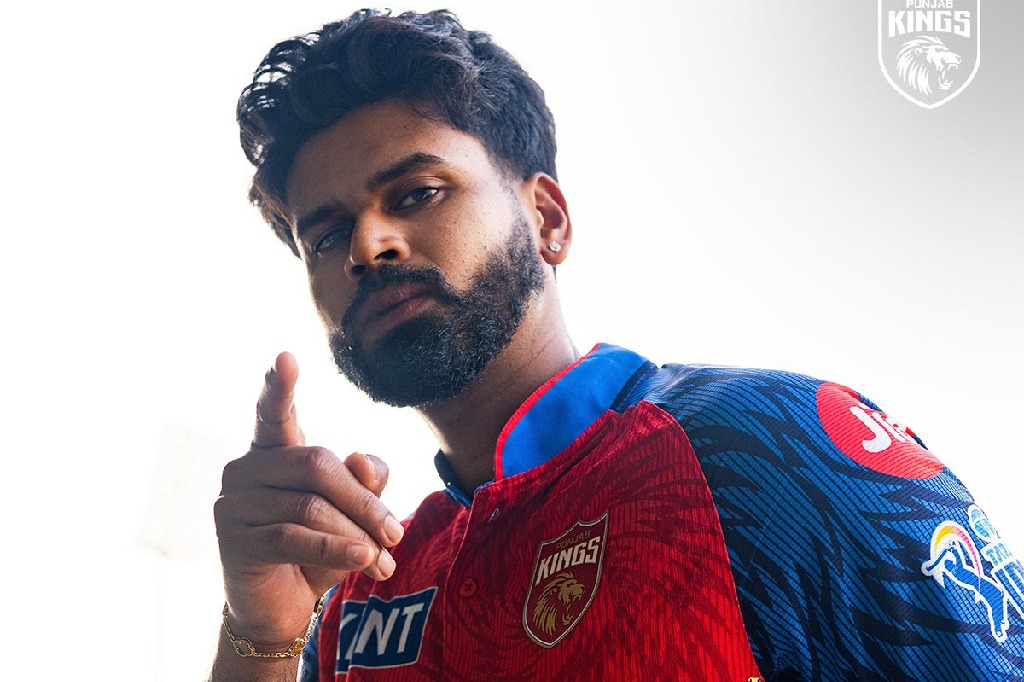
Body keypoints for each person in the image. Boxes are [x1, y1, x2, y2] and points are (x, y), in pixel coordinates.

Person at [211, 9, 1024, 681]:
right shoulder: (365, 595)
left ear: (547, 219)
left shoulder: (777, 445)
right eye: (327, 236)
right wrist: (261, 634)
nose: (368, 246)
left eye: (417, 192)